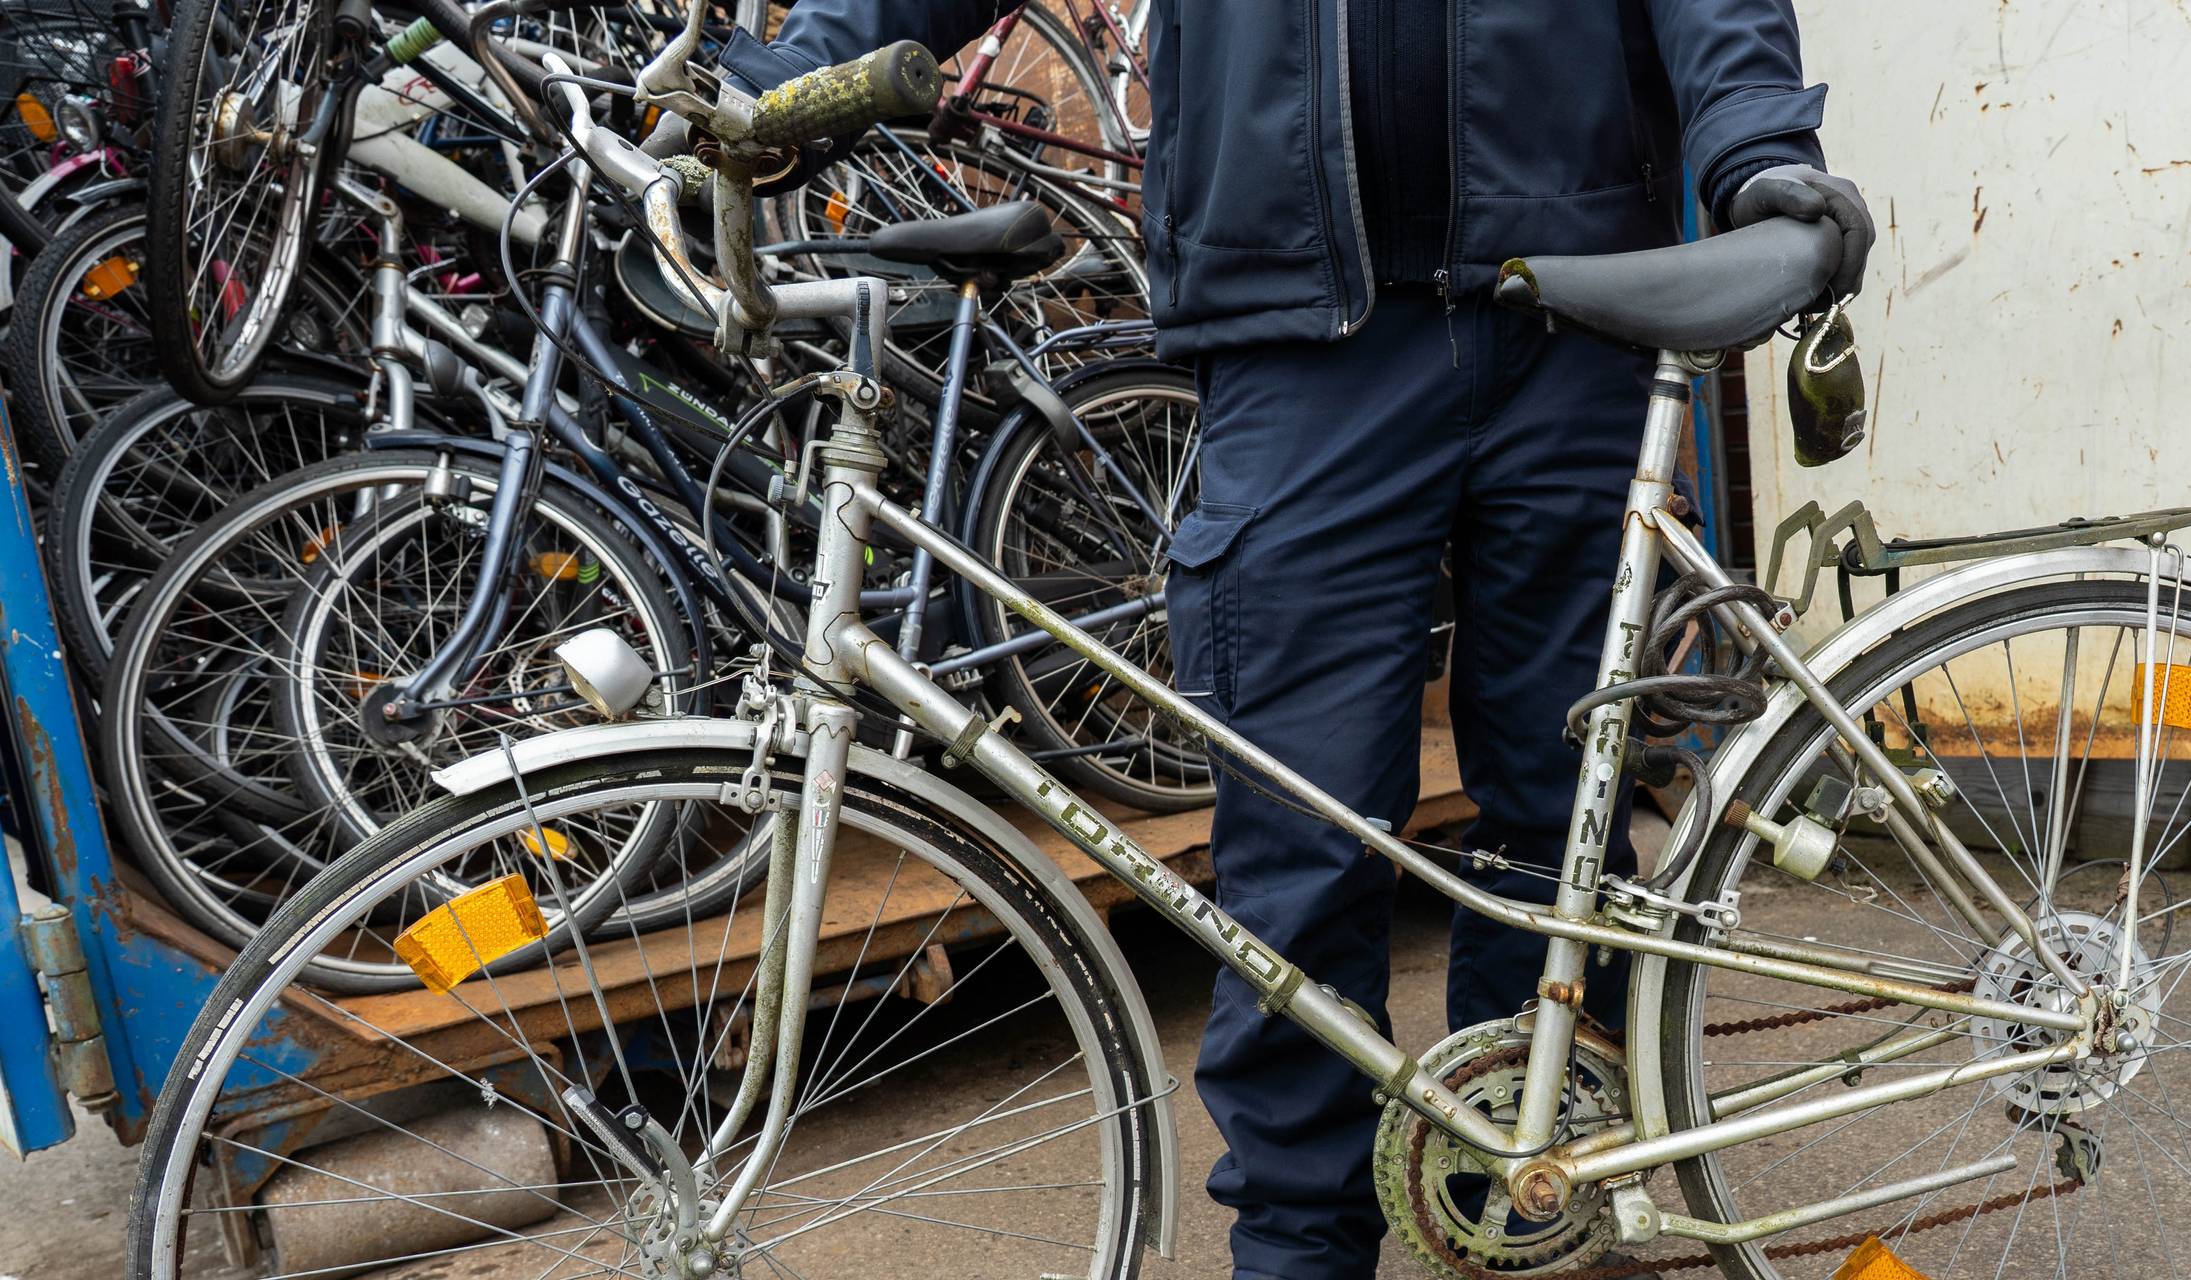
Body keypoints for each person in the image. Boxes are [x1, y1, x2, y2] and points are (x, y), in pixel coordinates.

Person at [718, 3, 1873, 1275]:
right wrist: (779, 76)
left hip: (1581, 310)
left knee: (1567, 816)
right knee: (1298, 849)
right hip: (1296, 328)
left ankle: (1535, 1187)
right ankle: (1299, 1246)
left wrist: (1760, 151)